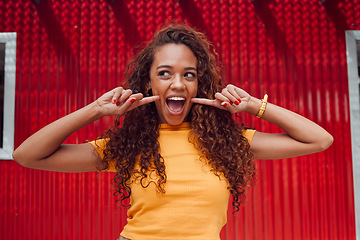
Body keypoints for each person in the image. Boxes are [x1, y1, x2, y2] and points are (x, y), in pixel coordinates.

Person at [12, 24, 333, 240]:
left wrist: (252, 106)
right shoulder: (127, 145)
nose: (177, 84)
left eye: (188, 75)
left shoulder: (231, 142)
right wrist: (96, 109)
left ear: (198, 84)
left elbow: (319, 139)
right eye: (164, 73)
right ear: (148, 83)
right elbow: (26, 155)